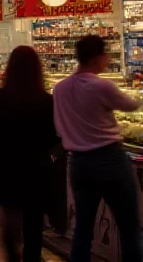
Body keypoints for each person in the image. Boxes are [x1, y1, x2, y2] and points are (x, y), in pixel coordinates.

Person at [53, 35, 142, 262]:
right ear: (98, 57)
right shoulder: (101, 85)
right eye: (107, 55)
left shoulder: (60, 89)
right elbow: (131, 105)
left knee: (83, 228)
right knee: (128, 226)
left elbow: (59, 126)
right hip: (110, 160)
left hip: (79, 164)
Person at [0, 46, 58, 262]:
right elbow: (51, 137)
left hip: (9, 164)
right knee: (34, 221)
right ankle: (32, 257)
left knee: (11, 220)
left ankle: (12, 255)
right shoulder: (46, 100)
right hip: (36, 165)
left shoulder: (1, 96)